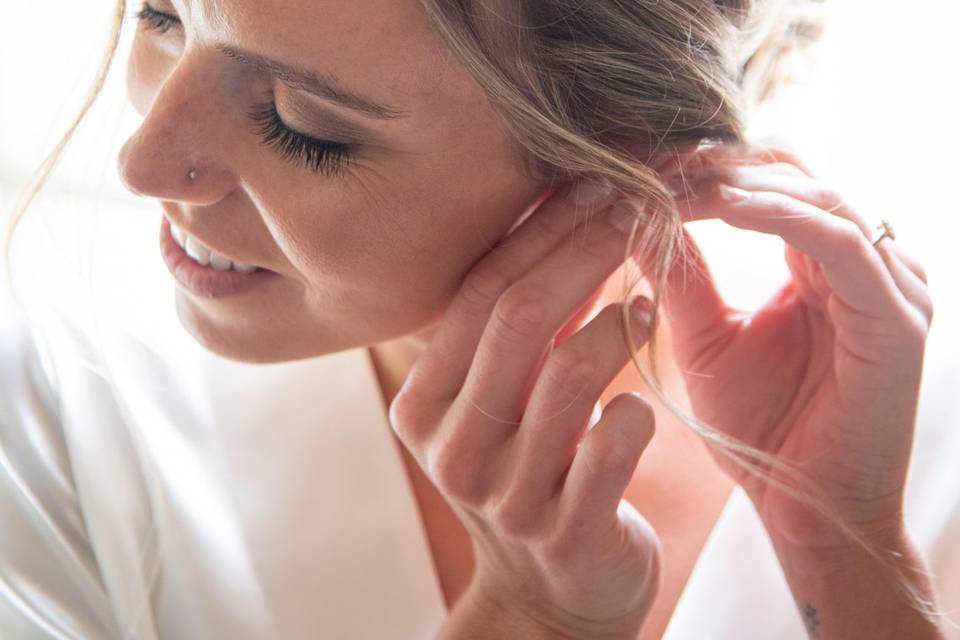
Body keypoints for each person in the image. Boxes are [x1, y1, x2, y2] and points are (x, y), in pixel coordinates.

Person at [0, 0, 954, 638]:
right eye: (164, 12)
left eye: (300, 122)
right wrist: (527, 620)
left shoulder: (905, 434)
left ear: (614, 156)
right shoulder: (51, 422)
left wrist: (852, 552)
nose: (144, 160)